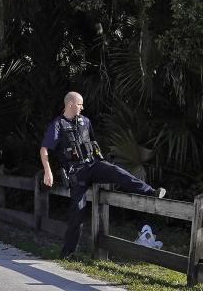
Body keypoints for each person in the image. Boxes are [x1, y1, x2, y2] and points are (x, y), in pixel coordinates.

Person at [39, 91, 166, 258]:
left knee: (116, 170)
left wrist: (100, 160)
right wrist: (48, 171)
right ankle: (67, 254)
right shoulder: (58, 124)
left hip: (93, 165)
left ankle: (151, 191)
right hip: (76, 173)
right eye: (79, 104)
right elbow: (44, 149)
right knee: (77, 213)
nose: (82, 107)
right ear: (70, 104)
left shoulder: (85, 121)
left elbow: (93, 143)